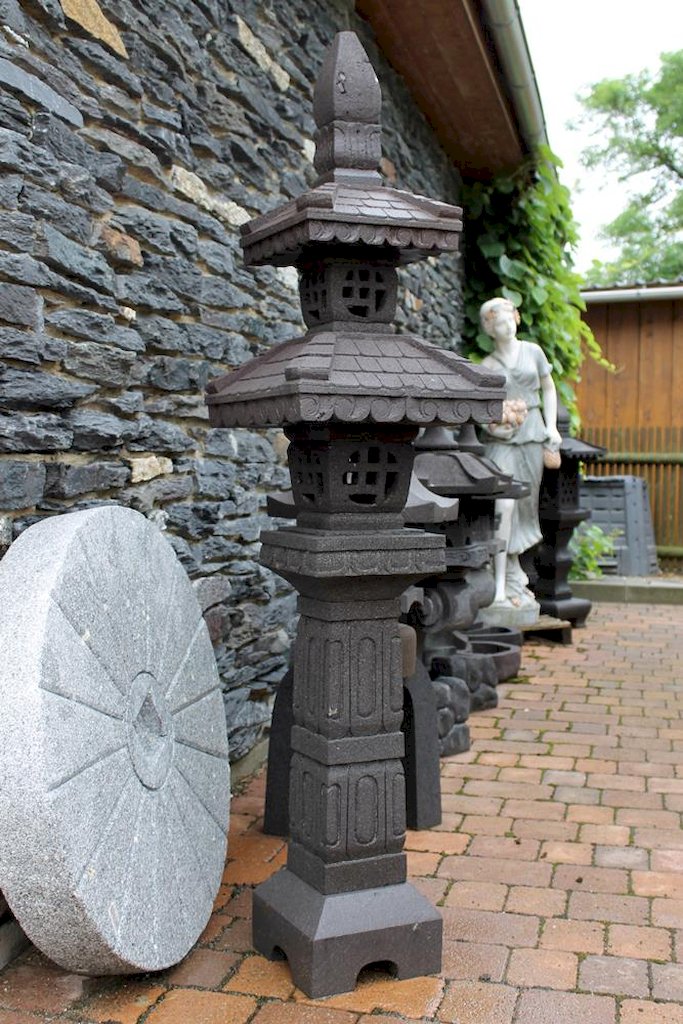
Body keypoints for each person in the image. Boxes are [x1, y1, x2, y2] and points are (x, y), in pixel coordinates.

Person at [479, 297, 562, 609]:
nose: (507, 326)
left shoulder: (533, 352)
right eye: (499, 322)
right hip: (502, 443)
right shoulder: (488, 366)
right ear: (489, 328)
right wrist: (494, 429)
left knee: (525, 508)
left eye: (510, 318)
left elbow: (549, 388)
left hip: (531, 437)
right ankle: (498, 585)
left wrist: (552, 428)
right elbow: (484, 412)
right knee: (504, 506)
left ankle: (512, 576)